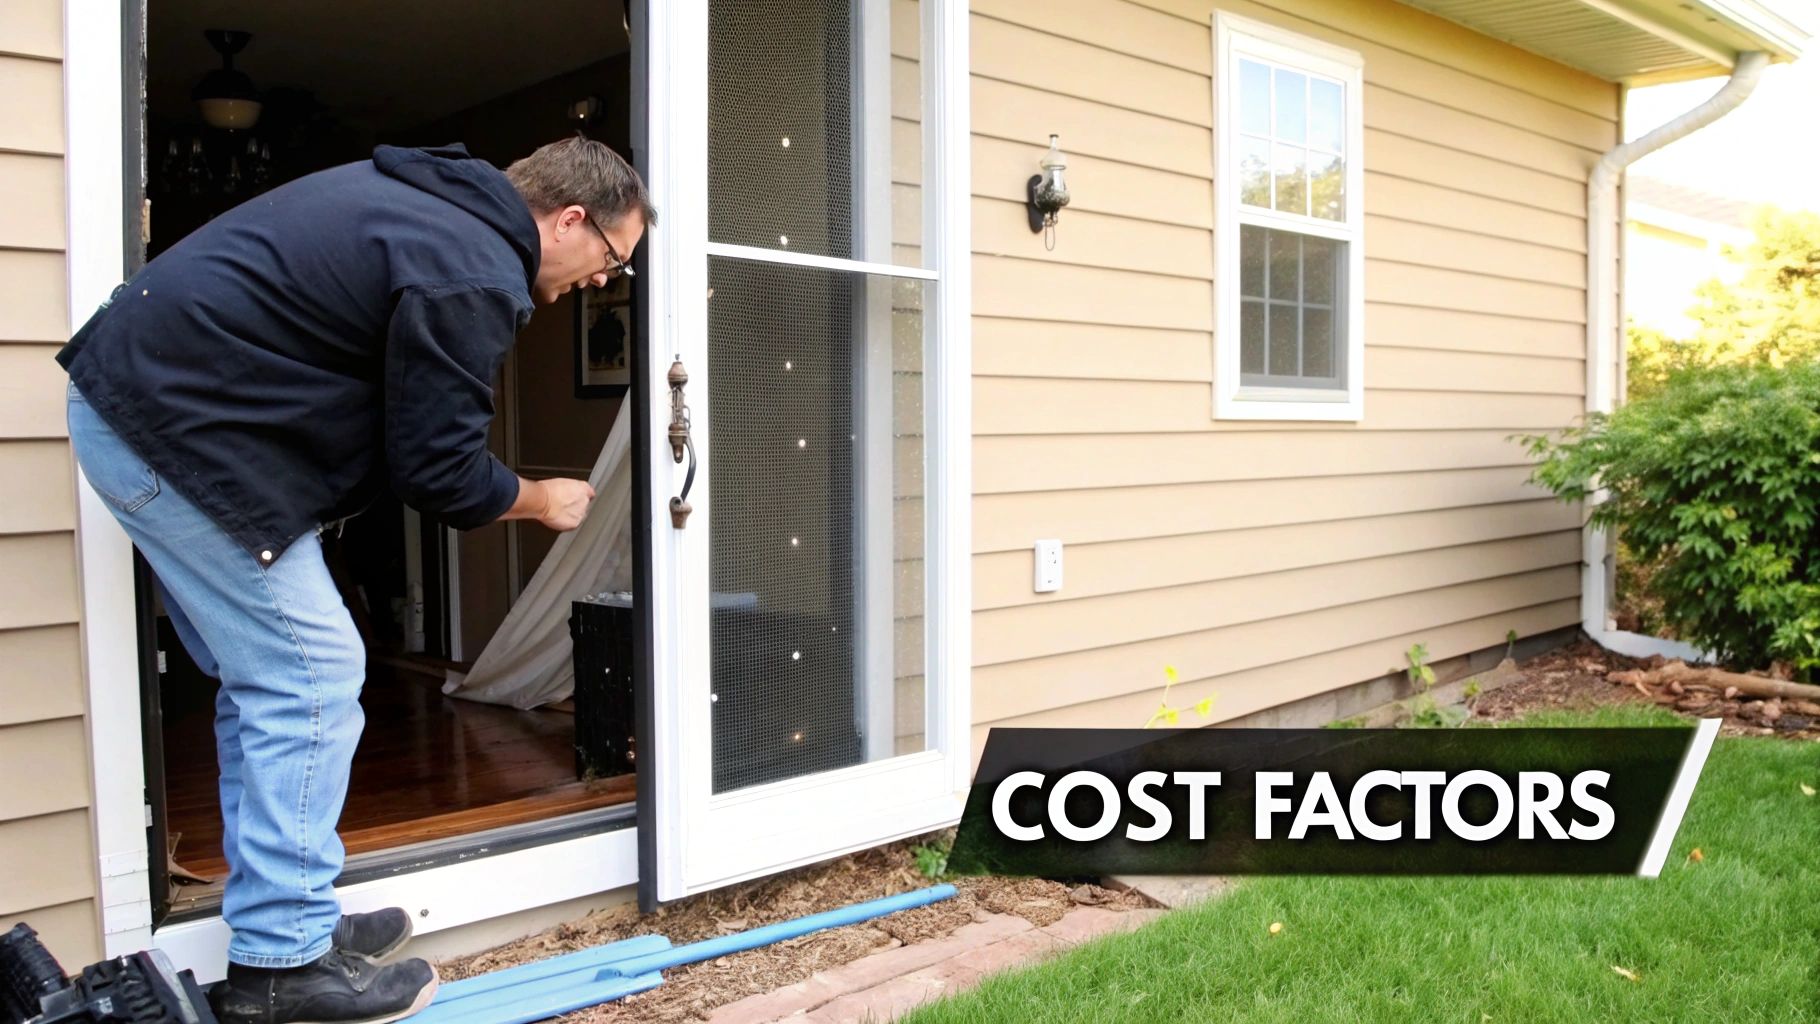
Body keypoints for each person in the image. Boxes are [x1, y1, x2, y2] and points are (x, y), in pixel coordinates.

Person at [56, 136, 653, 1024]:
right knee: (313, 674)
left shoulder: (432, 208)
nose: (606, 281)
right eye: (612, 259)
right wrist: (539, 499)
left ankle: (289, 920)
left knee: (268, 679)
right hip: (170, 428)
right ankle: (280, 973)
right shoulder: (471, 269)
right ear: (569, 219)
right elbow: (439, 472)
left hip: (147, 407)